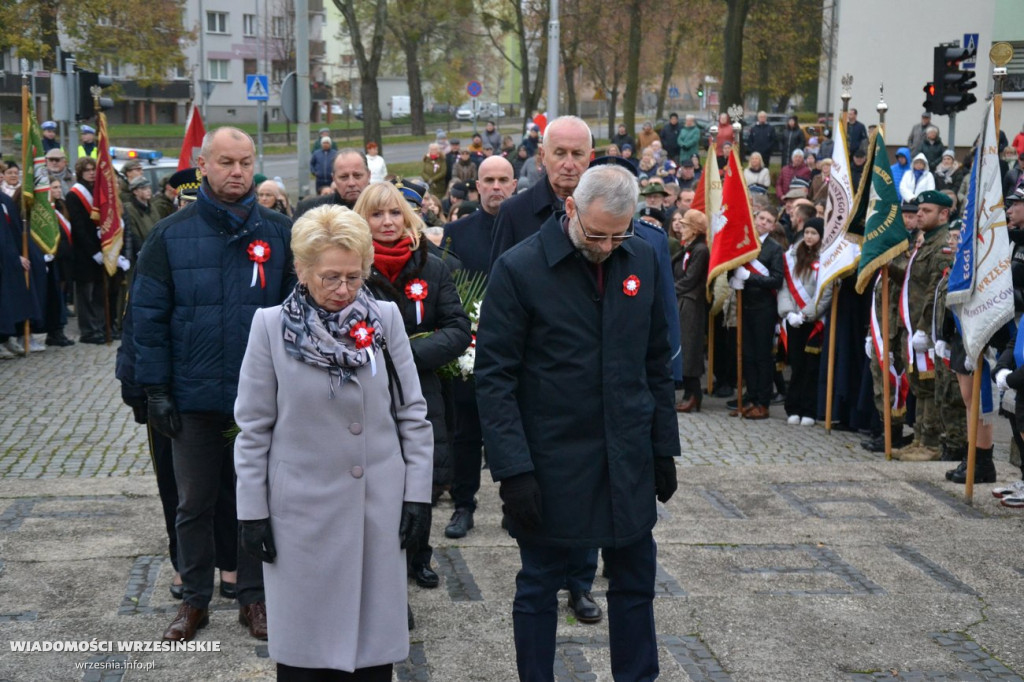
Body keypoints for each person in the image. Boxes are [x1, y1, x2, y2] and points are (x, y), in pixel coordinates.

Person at [475, 163, 679, 682]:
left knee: (635, 580)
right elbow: (495, 378)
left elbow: (656, 361)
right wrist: (513, 471)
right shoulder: (519, 270)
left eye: (620, 233)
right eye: (596, 233)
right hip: (550, 460)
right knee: (540, 583)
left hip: (626, 455)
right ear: (570, 209)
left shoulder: (644, 259)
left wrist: (663, 448)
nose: (608, 245)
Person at [234, 204, 434, 680]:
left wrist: (417, 497)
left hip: (376, 510)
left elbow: (412, 413)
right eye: (329, 277)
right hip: (300, 517)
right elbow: (253, 428)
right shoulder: (269, 327)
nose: (343, 290)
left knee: (371, 658)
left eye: (353, 276)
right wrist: (252, 513)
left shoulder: (384, 320)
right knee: (305, 661)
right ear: (302, 271)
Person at [132, 127, 295, 642]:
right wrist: (155, 390)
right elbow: (147, 320)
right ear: (203, 165)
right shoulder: (169, 236)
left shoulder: (281, 232)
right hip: (194, 398)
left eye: (246, 163)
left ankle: (254, 598)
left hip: (262, 399)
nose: (238, 173)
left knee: (258, 500)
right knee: (193, 503)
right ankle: (194, 600)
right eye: (226, 162)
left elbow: (298, 312)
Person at [354, 182, 471, 593]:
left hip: (421, 388)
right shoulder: (351, 267)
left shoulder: (433, 266)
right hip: (362, 391)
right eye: (376, 214)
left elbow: (458, 328)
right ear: (361, 220)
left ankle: (418, 554)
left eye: (394, 213)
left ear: (408, 217)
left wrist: (408, 356)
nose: (387, 222)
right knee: (373, 478)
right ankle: (379, 559)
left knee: (417, 474)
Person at [441, 156, 517, 540]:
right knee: (466, 433)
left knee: (511, 431)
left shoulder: (527, 228)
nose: (495, 187)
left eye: (503, 179)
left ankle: (514, 504)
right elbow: (445, 285)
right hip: (468, 345)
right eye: (488, 180)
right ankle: (463, 504)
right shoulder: (457, 231)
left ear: (515, 184)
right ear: (477, 186)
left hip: (516, 348)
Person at [896, 190, 954, 459]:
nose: (919, 214)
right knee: (918, 383)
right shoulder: (925, 241)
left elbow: (934, 290)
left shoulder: (942, 244)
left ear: (944, 214)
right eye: (918, 210)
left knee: (930, 385)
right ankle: (919, 438)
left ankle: (930, 443)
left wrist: (922, 329)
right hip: (913, 323)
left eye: (926, 210)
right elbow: (912, 283)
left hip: (927, 327)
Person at [728, 208, 785, 419]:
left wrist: (749, 277)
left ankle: (763, 402)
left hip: (764, 308)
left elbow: (776, 280)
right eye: (761, 218)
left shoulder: (774, 248)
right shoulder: (744, 241)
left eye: (768, 221)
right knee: (747, 355)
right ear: (754, 219)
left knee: (762, 356)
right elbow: (732, 267)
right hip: (745, 305)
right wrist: (732, 279)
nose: (763, 222)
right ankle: (750, 399)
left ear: (772, 226)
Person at [778, 217, 831, 426]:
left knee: (812, 367)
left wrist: (806, 314)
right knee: (796, 365)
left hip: (814, 322)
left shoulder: (827, 258)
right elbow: (784, 287)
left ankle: (809, 408)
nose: (809, 237)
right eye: (807, 232)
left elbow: (826, 292)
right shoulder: (791, 256)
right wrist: (788, 312)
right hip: (793, 320)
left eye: (814, 233)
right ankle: (793, 407)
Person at [65, 156, 110, 345]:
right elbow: (79, 227)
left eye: (93, 170)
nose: (91, 173)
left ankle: (100, 326)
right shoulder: (74, 195)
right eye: (87, 170)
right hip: (84, 253)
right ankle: (88, 330)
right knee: (86, 294)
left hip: (102, 249)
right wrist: (93, 251)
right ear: (80, 173)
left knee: (100, 292)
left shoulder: (98, 191)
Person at [673, 209, 710, 413]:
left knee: (690, 348)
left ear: (695, 230)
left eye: (685, 225)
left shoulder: (700, 251)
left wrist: (669, 289)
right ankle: (689, 393)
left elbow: (690, 279)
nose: (681, 228)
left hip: (691, 303)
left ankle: (694, 393)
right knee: (684, 347)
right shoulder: (688, 248)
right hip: (683, 301)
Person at [294, 149, 370, 219]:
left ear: (368, 175)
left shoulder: (381, 206)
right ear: (333, 179)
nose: (351, 183)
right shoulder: (309, 209)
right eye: (344, 177)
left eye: (357, 176)